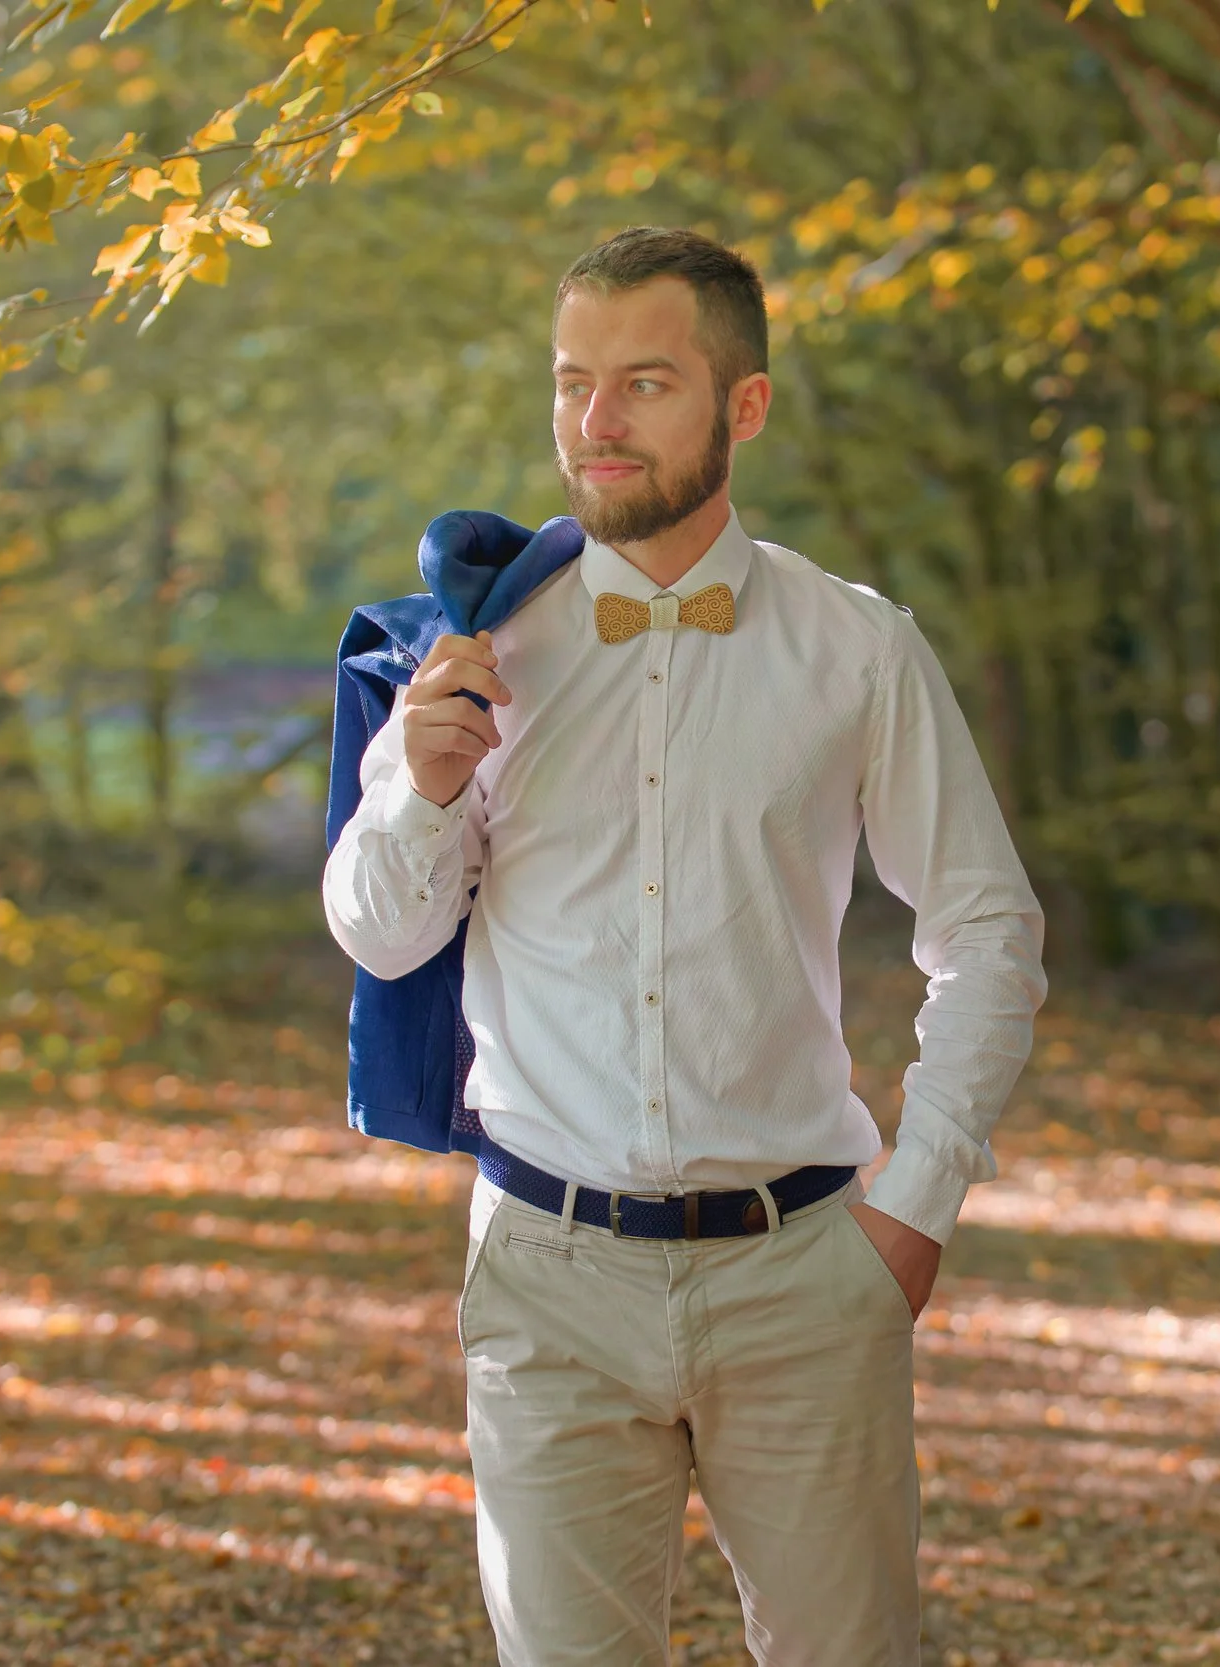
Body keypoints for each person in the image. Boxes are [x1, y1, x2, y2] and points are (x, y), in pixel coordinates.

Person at [322, 226, 1046, 1666]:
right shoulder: (474, 653)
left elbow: (989, 926)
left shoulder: (855, 649)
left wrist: (917, 1202)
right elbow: (378, 936)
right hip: (547, 1276)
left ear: (744, 405)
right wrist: (421, 781)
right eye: (573, 381)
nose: (596, 423)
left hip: (805, 1269)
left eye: (645, 381)